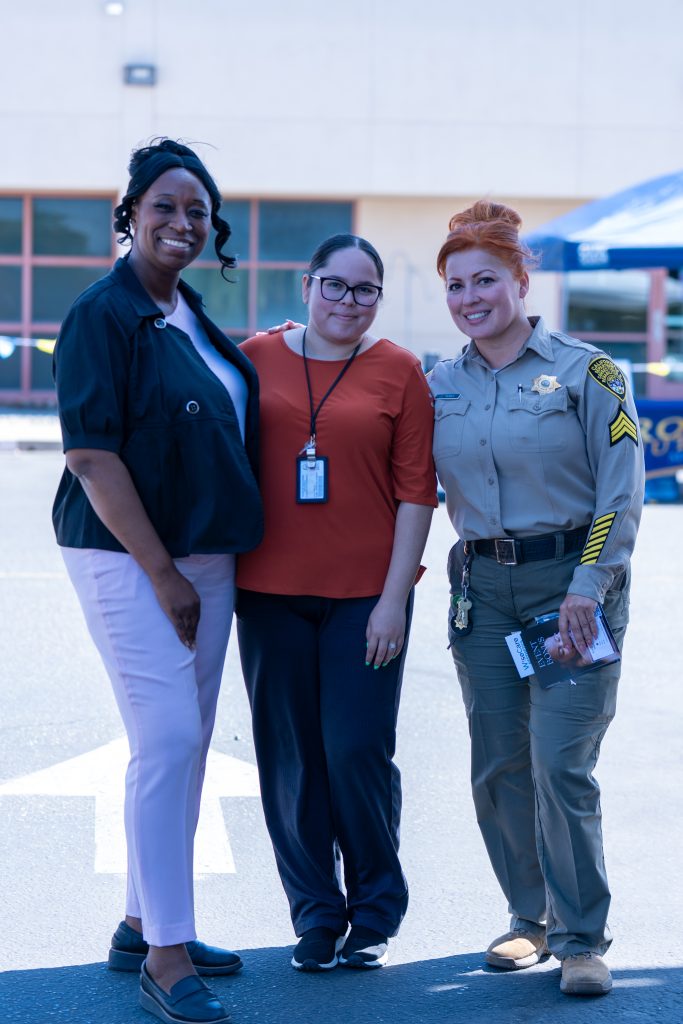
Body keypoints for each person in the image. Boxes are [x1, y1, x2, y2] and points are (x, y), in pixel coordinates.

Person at [52, 139, 263, 1024]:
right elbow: (93, 458)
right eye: (166, 206)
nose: (183, 222)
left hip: (208, 558)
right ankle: (165, 959)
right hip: (131, 556)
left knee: (184, 744)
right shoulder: (102, 314)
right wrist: (164, 573)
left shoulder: (188, 315)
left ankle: (145, 922)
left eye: (198, 211)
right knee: (170, 737)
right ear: (130, 213)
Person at [429, 201, 644, 997]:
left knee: (560, 764)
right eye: (454, 284)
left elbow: (619, 498)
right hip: (481, 591)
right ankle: (529, 920)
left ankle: (582, 936)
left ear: (521, 280)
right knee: (498, 766)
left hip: (570, 586)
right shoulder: (436, 382)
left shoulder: (590, 373)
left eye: (485, 279)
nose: (469, 296)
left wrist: (589, 586)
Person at [235, 233, 437, 972]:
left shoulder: (400, 371)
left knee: (356, 751)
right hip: (266, 594)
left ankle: (375, 911)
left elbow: (417, 491)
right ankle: (315, 914)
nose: (347, 302)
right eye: (335, 285)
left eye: (364, 290)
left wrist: (394, 598)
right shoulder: (254, 357)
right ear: (306, 284)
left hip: (366, 599)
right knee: (290, 759)